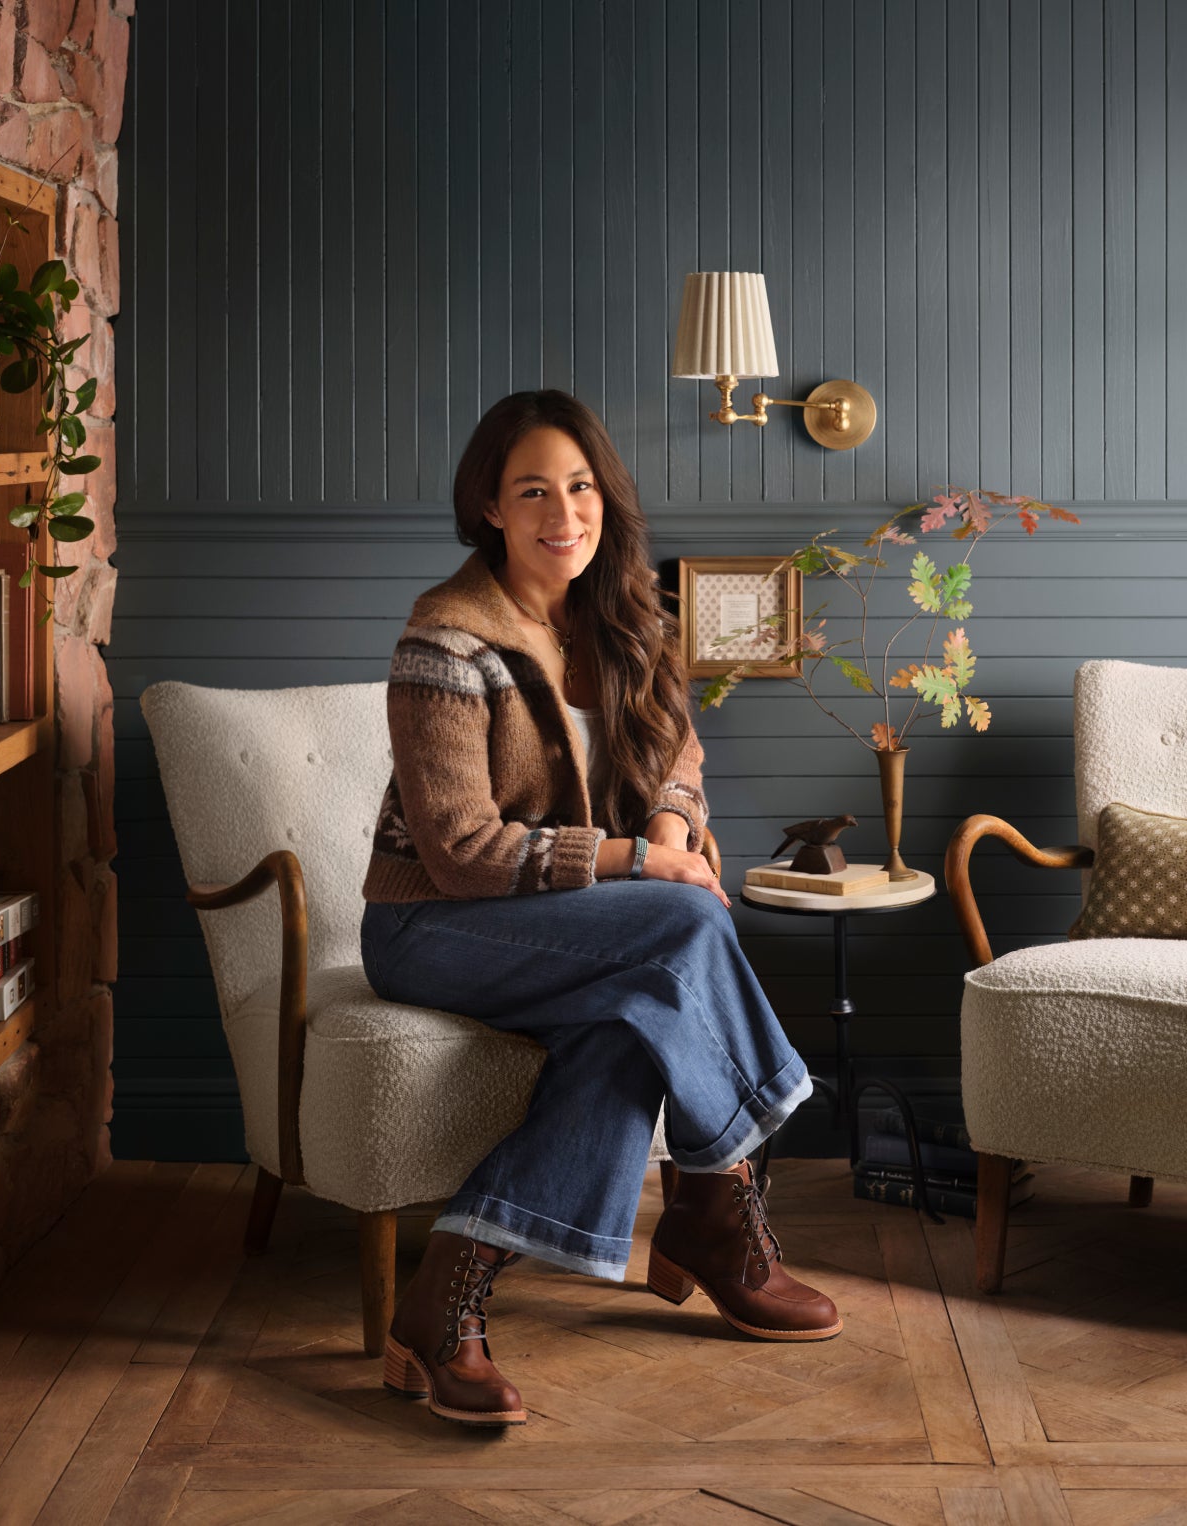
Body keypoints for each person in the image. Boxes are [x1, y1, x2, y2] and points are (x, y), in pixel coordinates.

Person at [359, 389, 840, 1427]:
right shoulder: (445, 637)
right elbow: (459, 850)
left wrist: (667, 833)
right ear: (489, 503)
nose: (561, 513)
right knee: (684, 923)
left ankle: (446, 1297)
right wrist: (637, 863)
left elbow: (679, 758)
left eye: (579, 487)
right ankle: (719, 1202)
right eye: (532, 489)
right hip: (432, 927)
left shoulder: (624, 616)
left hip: (568, 933)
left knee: (636, 1020)